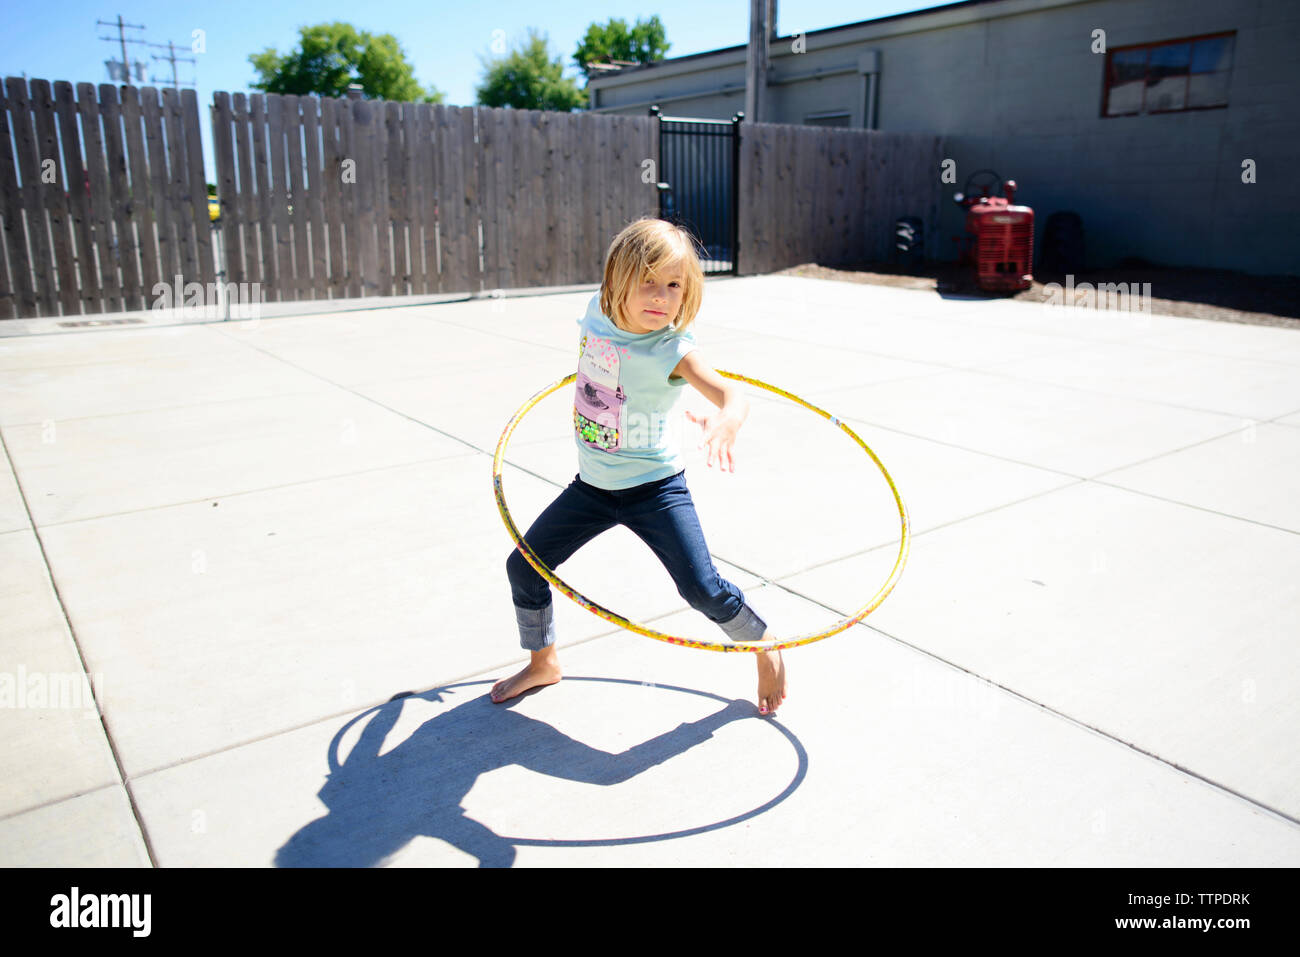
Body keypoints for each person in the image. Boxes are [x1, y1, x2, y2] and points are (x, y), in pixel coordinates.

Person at [492, 217, 788, 715]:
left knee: (701, 588)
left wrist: (727, 419)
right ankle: (543, 661)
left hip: (654, 488)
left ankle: (763, 642)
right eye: (648, 281)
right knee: (523, 566)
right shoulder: (595, 313)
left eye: (674, 285)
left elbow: (731, 392)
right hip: (592, 487)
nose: (661, 297)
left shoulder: (671, 349)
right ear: (615, 282)